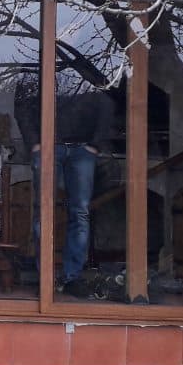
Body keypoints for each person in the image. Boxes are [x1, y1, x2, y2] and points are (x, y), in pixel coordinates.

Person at [30, 87, 116, 298]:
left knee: (80, 213)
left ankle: (72, 278)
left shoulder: (88, 74)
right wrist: (34, 142)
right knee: (44, 211)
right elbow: (24, 102)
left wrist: (95, 144)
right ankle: (45, 278)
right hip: (48, 146)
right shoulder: (43, 68)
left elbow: (108, 99)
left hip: (83, 149)